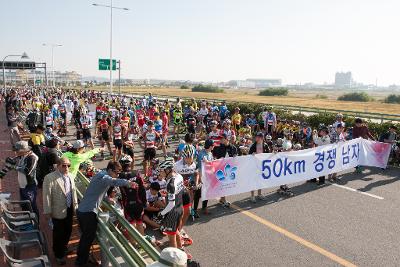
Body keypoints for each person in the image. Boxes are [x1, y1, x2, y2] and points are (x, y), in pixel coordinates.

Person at [75, 161, 136, 266]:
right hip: (88, 213)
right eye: (116, 173)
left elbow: (99, 191)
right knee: (87, 240)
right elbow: (113, 181)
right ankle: (80, 263)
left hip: (82, 210)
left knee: (85, 239)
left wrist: (107, 199)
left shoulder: (100, 174)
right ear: (110, 170)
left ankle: (82, 259)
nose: (117, 175)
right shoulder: (105, 177)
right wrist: (128, 183)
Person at [42, 157, 78, 265]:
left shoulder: (70, 176)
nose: (66, 167)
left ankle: (64, 247)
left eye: (68, 165)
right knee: (58, 233)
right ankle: (58, 254)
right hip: (57, 211)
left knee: (68, 230)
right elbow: (46, 196)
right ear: (58, 166)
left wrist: (75, 207)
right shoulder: (49, 178)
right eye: (64, 165)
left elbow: (73, 192)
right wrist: (48, 212)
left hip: (69, 208)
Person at [157, 158, 185, 249]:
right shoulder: (179, 176)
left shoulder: (170, 184)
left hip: (173, 211)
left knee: (171, 239)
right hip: (180, 208)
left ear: (168, 170)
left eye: (161, 170)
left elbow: (171, 204)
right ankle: (181, 249)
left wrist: (162, 213)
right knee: (175, 230)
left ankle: (175, 259)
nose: (159, 173)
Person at [14, 141, 40, 218]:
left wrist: (14, 167)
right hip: (22, 186)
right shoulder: (23, 156)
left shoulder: (32, 157)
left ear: (23, 150)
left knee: (31, 206)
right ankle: (27, 222)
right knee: (24, 206)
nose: (15, 152)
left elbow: (27, 171)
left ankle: (35, 226)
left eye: (17, 150)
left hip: (30, 187)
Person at [248, 132, 269, 202]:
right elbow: (249, 154)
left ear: (261, 138)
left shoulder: (265, 145)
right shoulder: (253, 145)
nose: (255, 138)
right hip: (254, 165)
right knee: (253, 180)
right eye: (256, 136)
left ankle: (259, 194)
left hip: (262, 165)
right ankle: (252, 196)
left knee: (260, 180)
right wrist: (252, 154)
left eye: (257, 137)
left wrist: (274, 153)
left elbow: (269, 154)